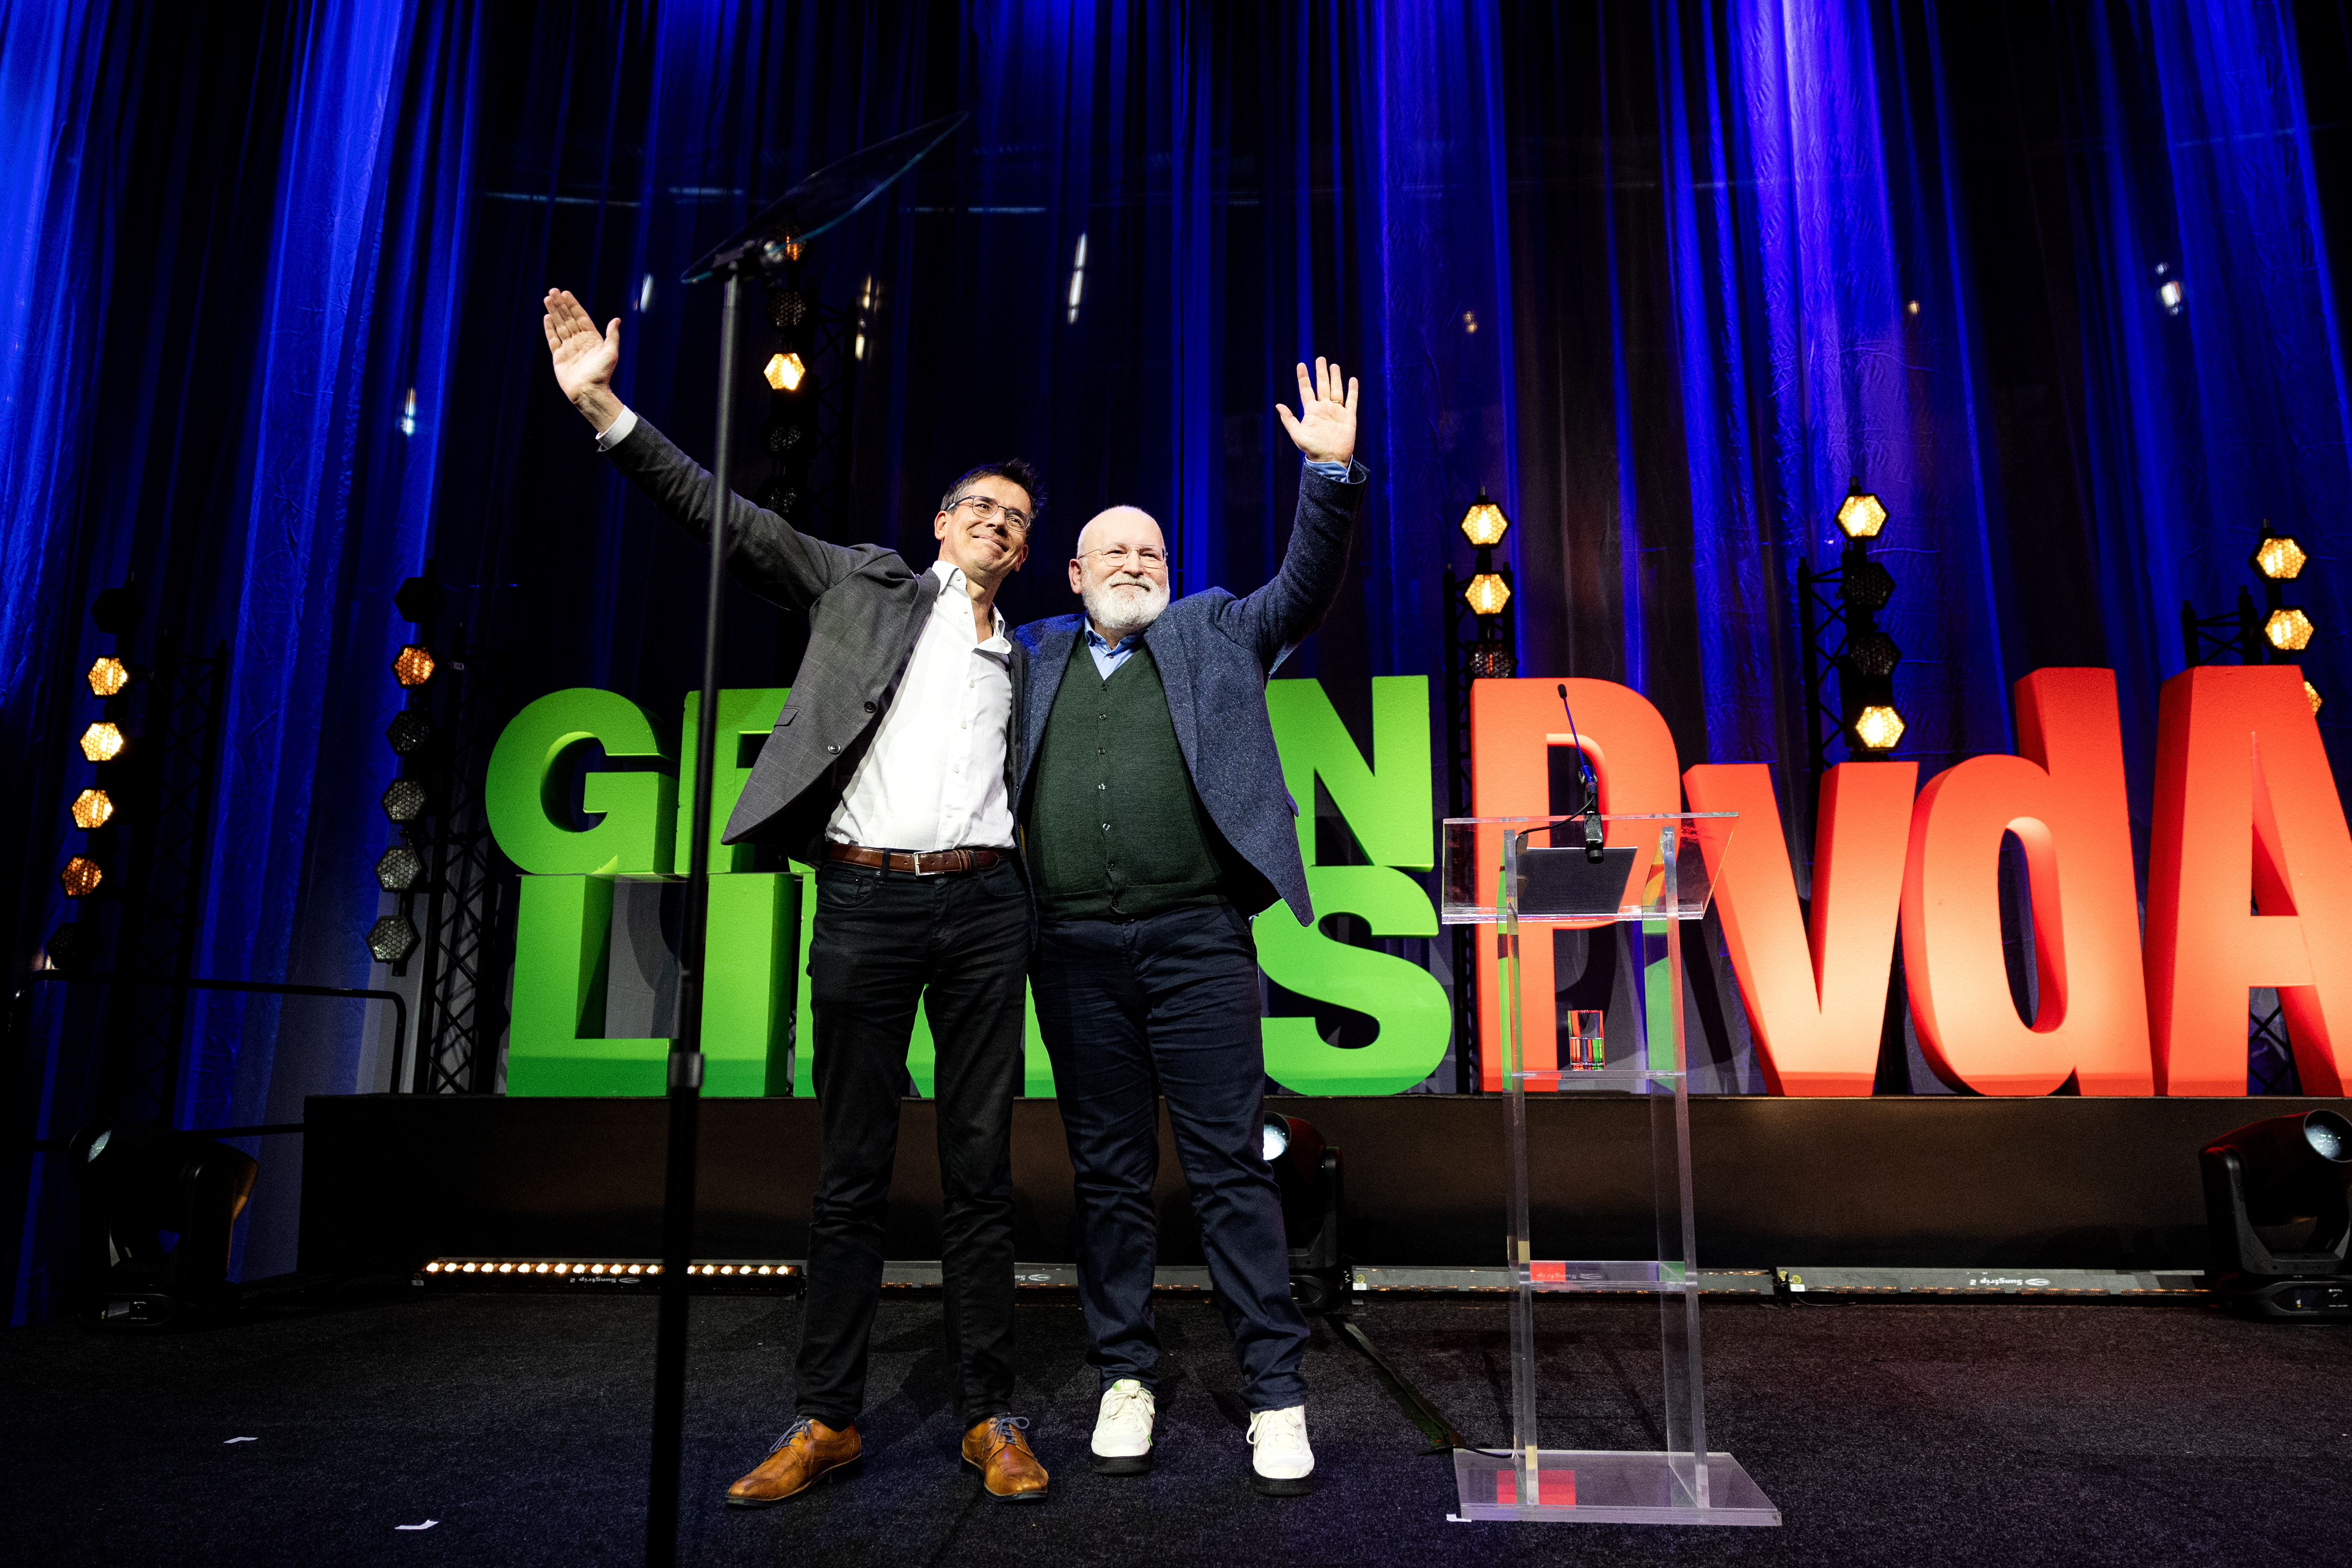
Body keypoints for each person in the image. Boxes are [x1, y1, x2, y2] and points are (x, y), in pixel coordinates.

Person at [541, 288, 1050, 1506]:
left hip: (985, 915)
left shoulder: (1025, 659)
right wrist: (606, 409)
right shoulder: (861, 584)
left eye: (1015, 520)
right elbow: (725, 518)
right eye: (978, 506)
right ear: (939, 525)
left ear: (1025, 553)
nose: (994, 524)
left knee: (981, 1171)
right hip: (866, 906)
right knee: (849, 1172)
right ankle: (826, 1418)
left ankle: (989, 1413)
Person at [1013, 357, 1366, 1496]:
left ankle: (1275, 1392)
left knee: (1228, 1172)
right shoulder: (1021, 657)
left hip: (1199, 943)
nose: (1135, 562)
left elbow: (1303, 588)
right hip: (1067, 950)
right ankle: (1125, 1374)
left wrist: (1329, 472)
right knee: (1107, 1174)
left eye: (1151, 551)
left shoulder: (1216, 629)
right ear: (1073, 573)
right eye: (1114, 550)